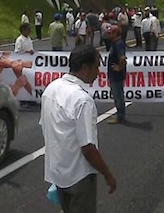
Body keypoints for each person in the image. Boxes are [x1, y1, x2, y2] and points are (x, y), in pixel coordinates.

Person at [40, 45, 117, 212]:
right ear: (85, 68)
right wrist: (107, 174)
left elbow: (46, 128)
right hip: (78, 176)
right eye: (96, 66)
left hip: (58, 172)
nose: (98, 73)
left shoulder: (50, 89)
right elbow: (88, 148)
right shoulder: (82, 100)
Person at [107, 25, 127, 124]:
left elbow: (122, 58)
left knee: (118, 95)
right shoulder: (115, 43)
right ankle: (120, 115)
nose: (108, 35)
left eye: (110, 33)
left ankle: (120, 116)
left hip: (117, 75)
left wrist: (119, 67)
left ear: (116, 33)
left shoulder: (118, 44)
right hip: (115, 75)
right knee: (117, 95)